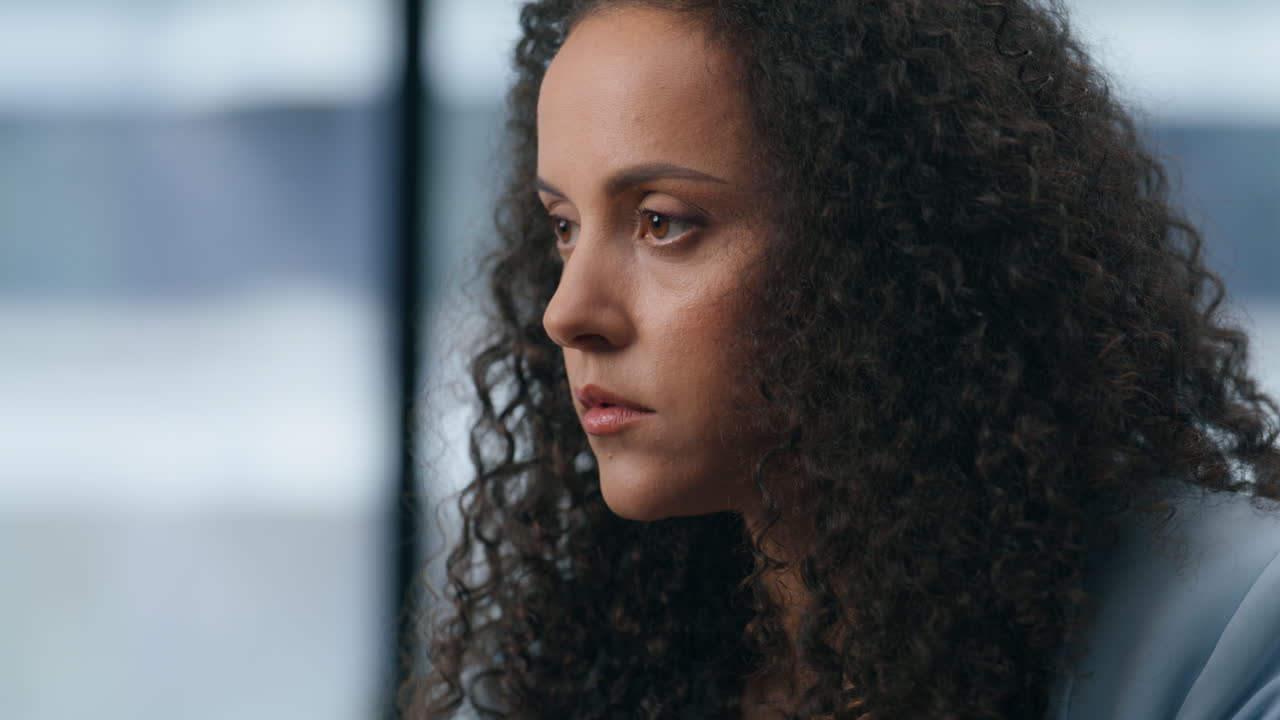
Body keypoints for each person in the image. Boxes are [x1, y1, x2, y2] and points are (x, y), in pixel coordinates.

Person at [406, 1, 1280, 718]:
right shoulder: (580, 664)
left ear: (883, 241)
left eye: (663, 222)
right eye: (564, 226)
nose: (568, 314)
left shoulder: (1233, 635)